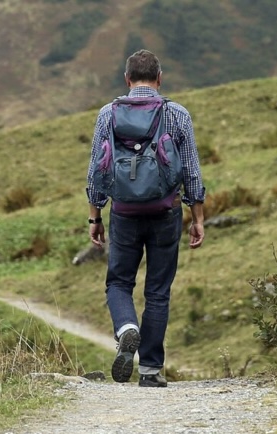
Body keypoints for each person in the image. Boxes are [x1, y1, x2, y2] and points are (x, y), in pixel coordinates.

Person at [86, 49, 205, 387]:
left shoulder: (107, 114)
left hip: (123, 212)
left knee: (119, 282)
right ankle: (150, 370)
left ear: (127, 80)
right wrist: (197, 216)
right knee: (158, 290)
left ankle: (127, 328)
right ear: (159, 78)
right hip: (165, 211)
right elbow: (192, 171)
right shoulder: (177, 114)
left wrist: (95, 216)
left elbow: (96, 170)